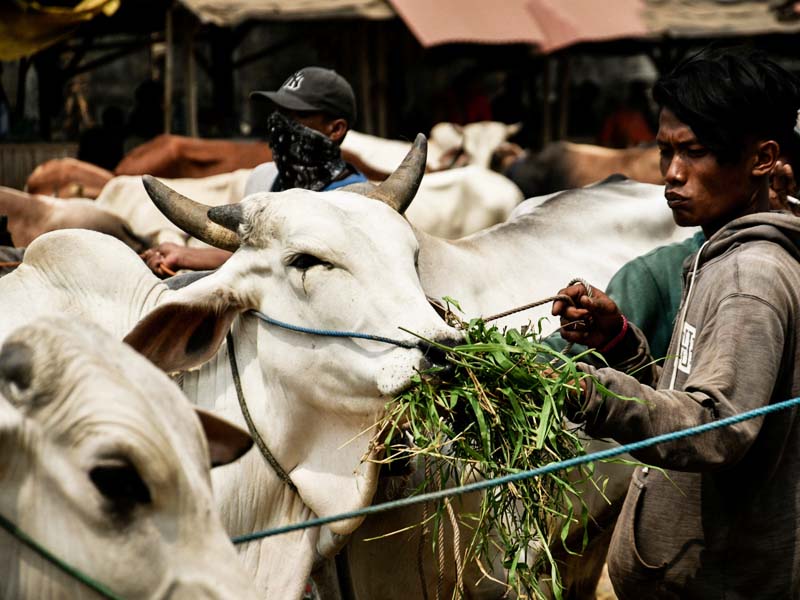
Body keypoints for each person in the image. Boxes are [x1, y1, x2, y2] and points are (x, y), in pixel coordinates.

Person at [551, 47, 800, 598]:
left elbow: (718, 428)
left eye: (695, 152)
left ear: (763, 158)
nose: (671, 175)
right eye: (665, 152)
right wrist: (619, 346)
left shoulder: (749, 278)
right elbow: (702, 390)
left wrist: (590, 392)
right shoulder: (721, 253)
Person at [142, 67, 367, 276]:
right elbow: (249, 251)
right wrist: (183, 255)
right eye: (279, 112)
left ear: (336, 129)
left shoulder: (355, 202)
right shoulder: (263, 179)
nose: (279, 123)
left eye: (297, 115)